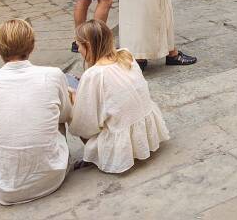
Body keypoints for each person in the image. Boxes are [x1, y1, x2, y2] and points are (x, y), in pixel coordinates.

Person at [0, 19, 72, 206]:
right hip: (55, 178)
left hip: (7, 191)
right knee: (57, 108)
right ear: (31, 46)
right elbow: (66, 115)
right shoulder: (53, 75)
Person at [69, 20, 169, 173]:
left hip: (118, 140)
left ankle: (96, 153)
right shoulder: (126, 55)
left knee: (73, 100)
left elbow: (85, 124)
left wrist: (75, 100)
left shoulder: (94, 74)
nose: (80, 51)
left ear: (88, 46)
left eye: (80, 46)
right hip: (143, 126)